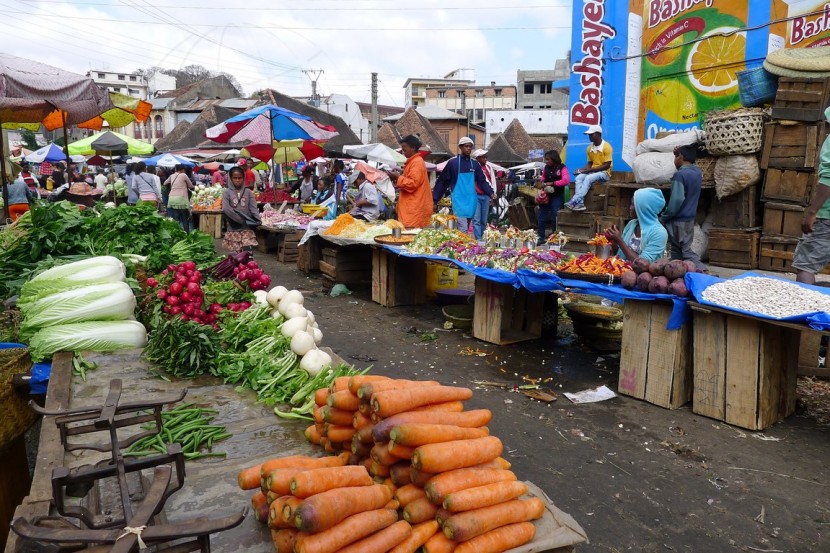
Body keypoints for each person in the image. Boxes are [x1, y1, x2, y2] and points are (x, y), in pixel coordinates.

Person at [794, 107, 830, 284]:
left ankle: (804, 308)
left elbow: (829, 179)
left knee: (806, 265)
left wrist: (812, 212)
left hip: (827, 217)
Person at [433, 136, 494, 239]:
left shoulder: (475, 164)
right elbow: (443, 181)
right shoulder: (453, 163)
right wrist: (434, 199)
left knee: (465, 227)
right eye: (466, 146)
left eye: (470, 146)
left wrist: (491, 192)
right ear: (460, 147)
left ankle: (460, 246)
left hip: (471, 200)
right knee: (463, 228)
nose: (469, 149)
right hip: (458, 200)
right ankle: (464, 250)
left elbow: (482, 181)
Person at [661, 145, 706, 272]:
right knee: (679, 252)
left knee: (683, 251)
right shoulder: (697, 173)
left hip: (678, 220)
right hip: (689, 219)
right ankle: (678, 273)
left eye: (676, 157)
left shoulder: (680, 175)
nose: (674, 160)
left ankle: (704, 271)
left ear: (681, 157)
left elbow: (676, 200)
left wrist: (665, 216)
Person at [607, 187, 667, 263]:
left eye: (633, 205)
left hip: (642, 274)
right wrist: (614, 241)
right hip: (621, 269)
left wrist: (620, 241)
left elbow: (642, 263)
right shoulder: (632, 224)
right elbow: (620, 253)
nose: (630, 208)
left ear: (643, 208)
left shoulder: (659, 233)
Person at [387, 134, 433, 228]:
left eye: (405, 149)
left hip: (414, 208)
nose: (403, 152)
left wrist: (398, 177)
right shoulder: (413, 161)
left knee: (410, 235)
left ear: (413, 148)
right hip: (411, 206)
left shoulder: (417, 162)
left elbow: (413, 183)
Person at [566, 124, 612, 211]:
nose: (589, 136)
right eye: (589, 135)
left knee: (588, 178)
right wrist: (581, 170)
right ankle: (580, 203)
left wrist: (590, 170)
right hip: (593, 172)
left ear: (598, 134)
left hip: (605, 173)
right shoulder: (589, 148)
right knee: (579, 178)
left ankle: (575, 199)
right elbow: (590, 163)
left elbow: (607, 165)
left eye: (591, 134)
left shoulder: (607, 147)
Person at [222, 166, 261, 252]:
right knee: (235, 252)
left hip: (246, 227)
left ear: (243, 178)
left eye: (240, 178)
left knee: (248, 251)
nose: (237, 180)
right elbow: (226, 209)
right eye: (235, 178)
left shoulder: (248, 192)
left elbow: (253, 207)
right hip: (233, 227)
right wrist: (239, 219)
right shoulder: (227, 192)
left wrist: (257, 219)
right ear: (230, 179)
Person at [535, 150, 570, 245]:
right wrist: (542, 184)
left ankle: (554, 238)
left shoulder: (562, 168)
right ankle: (540, 237)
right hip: (546, 195)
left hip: (557, 196)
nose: (547, 161)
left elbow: (566, 181)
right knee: (541, 216)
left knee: (555, 216)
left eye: (548, 159)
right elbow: (543, 179)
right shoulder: (546, 167)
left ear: (554, 159)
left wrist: (553, 183)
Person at [473, 148, 499, 237]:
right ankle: (478, 239)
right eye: (483, 157)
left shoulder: (488, 168)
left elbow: (493, 182)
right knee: (476, 219)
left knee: (484, 220)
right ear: (478, 158)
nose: (485, 159)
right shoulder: (474, 168)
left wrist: (493, 194)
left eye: (485, 157)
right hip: (476, 196)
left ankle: (482, 238)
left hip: (486, 196)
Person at [165, 164, 195, 232]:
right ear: (183, 170)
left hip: (172, 199)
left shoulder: (172, 175)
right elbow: (191, 186)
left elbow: (165, 183)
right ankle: (187, 235)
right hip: (181, 199)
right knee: (185, 219)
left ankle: (177, 234)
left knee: (176, 219)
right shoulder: (183, 175)